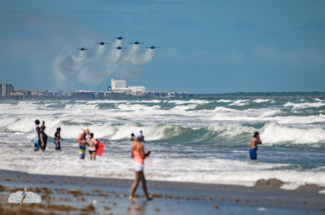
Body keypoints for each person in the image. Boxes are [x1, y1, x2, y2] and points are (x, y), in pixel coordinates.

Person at [129, 131, 152, 201]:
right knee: (137, 181)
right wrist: (146, 154)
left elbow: (132, 156)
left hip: (135, 163)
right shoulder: (141, 146)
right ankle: (131, 196)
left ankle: (147, 196)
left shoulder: (134, 145)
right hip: (140, 164)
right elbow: (142, 156)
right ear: (140, 138)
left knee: (143, 181)